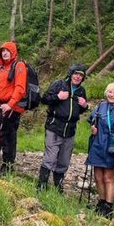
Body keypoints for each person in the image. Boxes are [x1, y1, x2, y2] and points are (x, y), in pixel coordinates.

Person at [37, 63, 89, 192]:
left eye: (80, 75)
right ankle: (41, 186)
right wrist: (58, 97)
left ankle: (58, 186)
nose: (77, 77)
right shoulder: (59, 85)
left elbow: (78, 111)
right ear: (71, 74)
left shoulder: (82, 91)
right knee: (50, 157)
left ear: (83, 78)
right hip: (55, 126)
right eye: (76, 74)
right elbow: (44, 99)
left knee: (64, 160)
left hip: (70, 129)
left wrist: (85, 106)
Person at [85, 82, 114, 217]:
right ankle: (101, 202)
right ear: (106, 92)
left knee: (108, 177)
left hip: (112, 146)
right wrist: (93, 128)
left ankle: (109, 206)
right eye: (110, 92)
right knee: (98, 176)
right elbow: (92, 120)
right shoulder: (101, 106)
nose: (112, 95)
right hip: (97, 144)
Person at [0, 40, 28, 175]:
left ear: (13, 52)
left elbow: (20, 88)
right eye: (2, 51)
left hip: (12, 108)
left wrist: (10, 104)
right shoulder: (0, 68)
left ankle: (7, 166)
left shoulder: (19, 66)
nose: (4, 53)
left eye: (7, 51)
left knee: (7, 138)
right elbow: (0, 88)